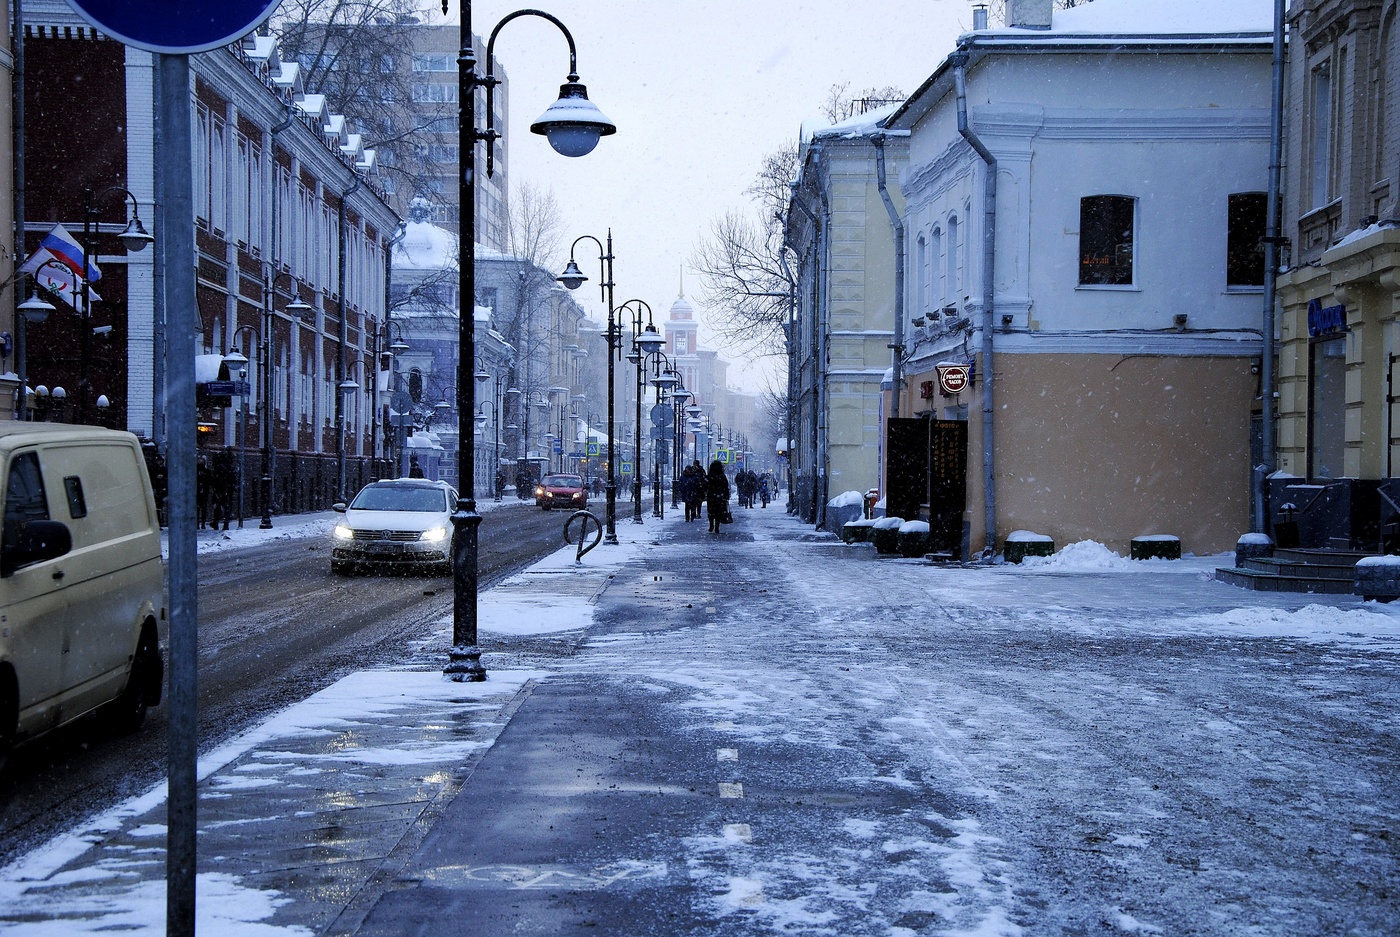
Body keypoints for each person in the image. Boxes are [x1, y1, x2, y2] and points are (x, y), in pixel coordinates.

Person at [705, 459, 730, 533]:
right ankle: (717, 526)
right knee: (718, 512)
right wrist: (726, 496)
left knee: (711, 511)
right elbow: (726, 486)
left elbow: (706, 485)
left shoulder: (710, 476)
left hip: (711, 496)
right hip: (720, 497)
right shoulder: (722, 476)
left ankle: (711, 525)